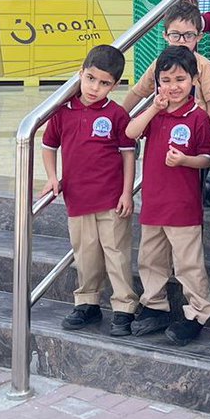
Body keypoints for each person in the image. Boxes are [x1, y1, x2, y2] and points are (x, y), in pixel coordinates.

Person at [41, 45, 140, 337]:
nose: (95, 87)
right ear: (80, 74)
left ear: (115, 85)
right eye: (90, 78)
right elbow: (48, 146)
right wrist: (52, 177)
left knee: (116, 254)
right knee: (85, 255)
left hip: (111, 200)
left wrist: (127, 193)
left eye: (104, 83)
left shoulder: (117, 114)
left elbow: (128, 155)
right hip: (78, 198)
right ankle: (87, 302)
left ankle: (124, 307)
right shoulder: (62, 112)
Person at [125, 46, 210, 345]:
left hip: (183, 206)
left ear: (193, 80)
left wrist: (185, 161)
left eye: (180, 79)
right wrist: (154, 107)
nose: (173, 87)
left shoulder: (198, 117)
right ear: (157, 83)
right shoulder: (155, 113)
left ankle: (198, 312)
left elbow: (208, 158)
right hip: (153, 202)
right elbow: (130, 132)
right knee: (150, 259)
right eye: (165, 80)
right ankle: (155, 305)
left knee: (188, 264)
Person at [120, 0, 210, 127]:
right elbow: (138, 92)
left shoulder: (203, 65)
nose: (181, 41)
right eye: (175, 35)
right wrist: (119, 118)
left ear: (198, 37)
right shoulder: (159, 63)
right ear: (165, 36)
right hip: (162, 126)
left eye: (189, 35)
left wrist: (207, 129)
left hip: (193, 127)